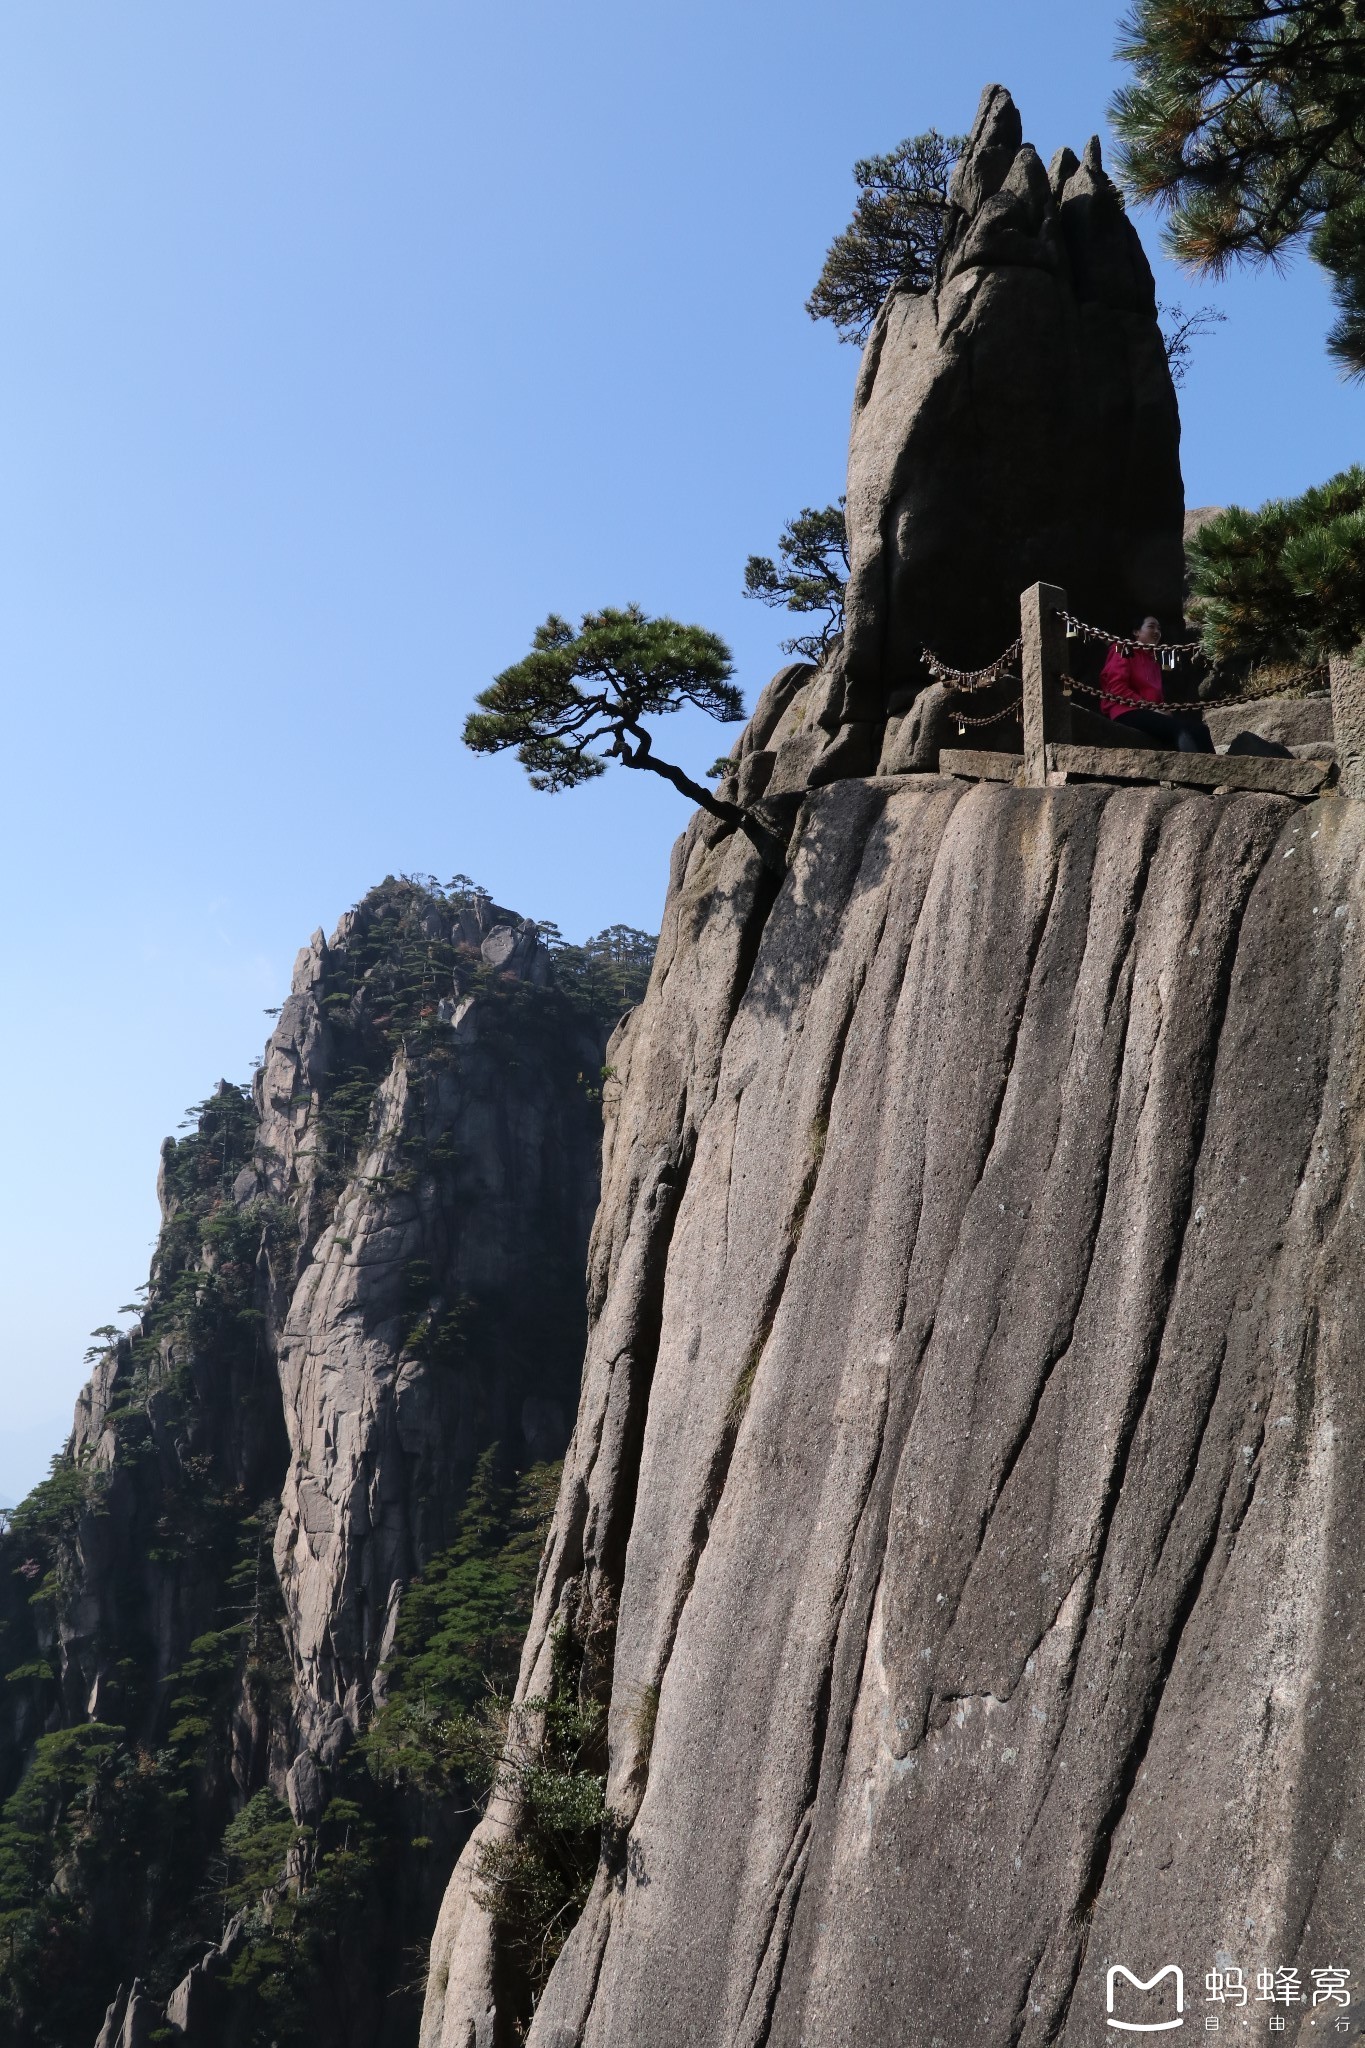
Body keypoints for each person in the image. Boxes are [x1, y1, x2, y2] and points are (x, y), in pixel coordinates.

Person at [1099, 616, 1214, 753]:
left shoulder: (1153, 661)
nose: (1157, 631)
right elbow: (1117, 687)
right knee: (1181, 730)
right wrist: (1149, 707)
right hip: (1126, 712)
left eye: (1159, 628)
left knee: (1201, 730)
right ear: (1136, 632)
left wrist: (1163, 710)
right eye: (1151, 626)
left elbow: (1156, 697)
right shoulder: (1123, 649)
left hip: (1149, 712)